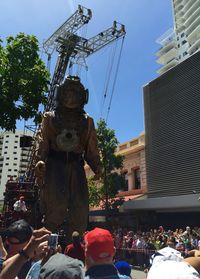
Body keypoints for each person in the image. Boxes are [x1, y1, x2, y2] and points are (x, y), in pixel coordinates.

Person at [35, 76, 101, 240]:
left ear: (83, 96)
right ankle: (45, 247)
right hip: (54, 167)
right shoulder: (50, 118)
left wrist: (97, 166)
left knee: (80, 209)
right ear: (60, 93)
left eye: (75, 93)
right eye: (68, 92)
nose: (71, 96)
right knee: (55, 208)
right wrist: (40, 160)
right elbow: (43, 142)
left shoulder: (87, 122)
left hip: (77, 168)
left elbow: (91, 148)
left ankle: (75, 247)